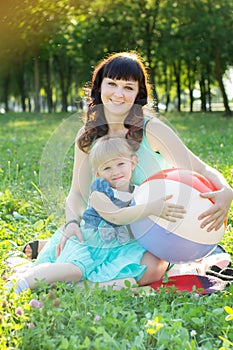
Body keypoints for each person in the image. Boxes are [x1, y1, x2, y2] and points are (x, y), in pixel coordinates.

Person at [22, 51, 233, 281]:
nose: (119, 94)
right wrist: (72, 223)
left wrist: (227, 191)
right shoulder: (87, 136)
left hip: (147, 233)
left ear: (138, 94)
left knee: (153, 267)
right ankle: (58, 256)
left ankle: (88, 285)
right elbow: (76, 194)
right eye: (112, 84)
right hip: (103, 229)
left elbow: (200, 170)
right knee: (67, 257)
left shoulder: (152, 130)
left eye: (128, 87)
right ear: (99, 87)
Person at [5, 136, 185, 293]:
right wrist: (151, 208)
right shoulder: (100, 192)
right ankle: (23, 282)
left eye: (120, 164)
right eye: (107, 168)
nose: (115, 172)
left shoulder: (139, 193)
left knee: (129, 281)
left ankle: (73, 287)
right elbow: (116, 216)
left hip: (116, 250)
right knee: (76, 269)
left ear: (133, 162)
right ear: (98, 173)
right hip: (89, 244)